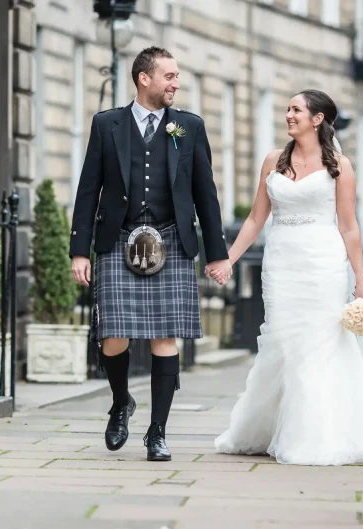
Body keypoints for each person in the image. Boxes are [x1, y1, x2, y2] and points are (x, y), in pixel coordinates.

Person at [207, 90, 363, 466]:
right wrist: (228, 259)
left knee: (318, 343)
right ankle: (268, 427)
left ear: (317, 118)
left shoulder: (339, 165)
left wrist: (360, 280)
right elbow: (257, 218)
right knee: (282, 340)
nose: (288, 115)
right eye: (288, 109)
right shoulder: (273, 161)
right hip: (281, 263)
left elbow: (349, 227)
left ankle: (316, 435)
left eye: (296, 109)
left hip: (323, 263)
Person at [69, 47, 231, 461]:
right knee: (113, 336)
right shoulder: (108, 124)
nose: (176, 83)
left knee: (165, 336)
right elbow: (89, 190)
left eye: (177, 77)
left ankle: (157, 432)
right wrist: (79, 251)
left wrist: (217, 253)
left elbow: (205, 195)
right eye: (170, 76)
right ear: (144, 78)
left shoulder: (188, 127)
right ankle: (121, 401)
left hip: (172, 239)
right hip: (119, 239)